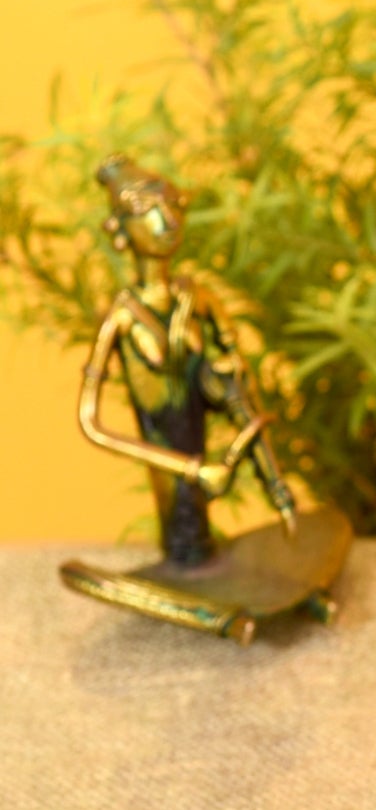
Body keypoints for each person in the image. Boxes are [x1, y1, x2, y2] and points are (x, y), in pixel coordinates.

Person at [76, 155, 296, 566]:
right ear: (121, 229)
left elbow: (238, 386)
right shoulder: (122, 318)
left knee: (230, 386)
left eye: (173, 204)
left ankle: (278, 518)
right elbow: (91, 424)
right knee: (183, 536)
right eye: (148, 211)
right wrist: (192, 470)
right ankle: (185, 559)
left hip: (204, 458)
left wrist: (225, 383)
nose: (168, 221)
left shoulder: (197, 299)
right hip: (171, 469)